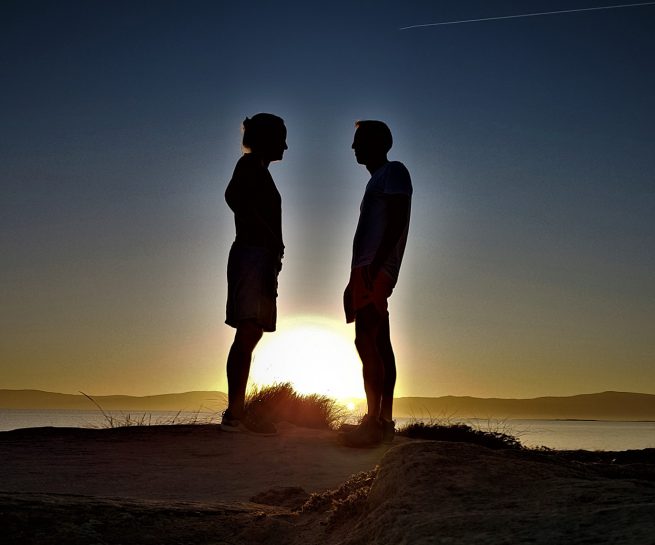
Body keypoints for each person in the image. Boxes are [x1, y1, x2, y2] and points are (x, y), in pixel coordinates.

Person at [341, 120, 412, 447]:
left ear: (379, 143)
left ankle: (374, 421)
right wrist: (352, 278)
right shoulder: (376, 180)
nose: (353, 147)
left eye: (359, 141)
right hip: (365, 269)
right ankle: (382, 420)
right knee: (379, 341)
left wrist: (378, 263)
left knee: (366, 339)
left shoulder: (393, 171)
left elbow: (398, 219)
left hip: (376, 268)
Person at [220, 113, 287, 435]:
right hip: (251, 255)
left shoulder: (260, 169)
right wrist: (267, 236)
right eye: (281, 138)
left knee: (253, 330)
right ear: (266, 139)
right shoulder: (248, 165)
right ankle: (235, 414)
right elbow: (234, 198)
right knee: (247, 329)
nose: (285, 146)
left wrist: (273, 247)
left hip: (260, 257)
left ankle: (238, 412)